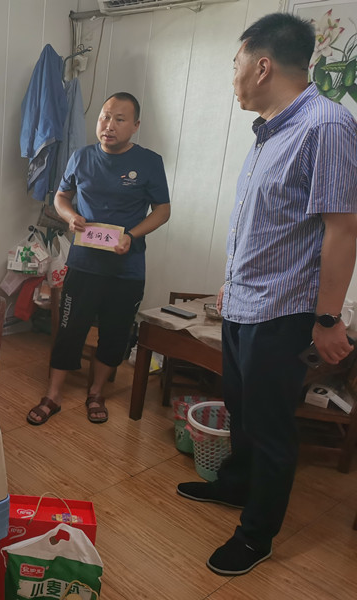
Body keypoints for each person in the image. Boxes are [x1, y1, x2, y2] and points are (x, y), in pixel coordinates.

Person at [176, 13, 357, 577]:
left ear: (261, 66)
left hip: (284, 311)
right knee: (241, 408)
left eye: (234, 65)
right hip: (245, 301)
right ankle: (236, 486)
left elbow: (343, 229)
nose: (232, 77)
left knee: (271, 425)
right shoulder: (270, 130)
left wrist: (327, 319)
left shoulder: (326, 126)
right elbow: (269, 225)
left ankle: (257, 535)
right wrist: (231, 283)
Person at [27, 92, 170, 426]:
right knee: (69, 329)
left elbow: (162, 210)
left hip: (127, 267)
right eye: (105, 116)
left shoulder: (149, 162)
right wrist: (70, 216)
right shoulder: (81, 157)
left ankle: (96, 393)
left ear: (135, 125)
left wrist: (132, 235)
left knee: (115, 333)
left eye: (120, 119)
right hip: (84, 263)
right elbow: (61, 196)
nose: (109, 125)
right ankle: (53, 394)